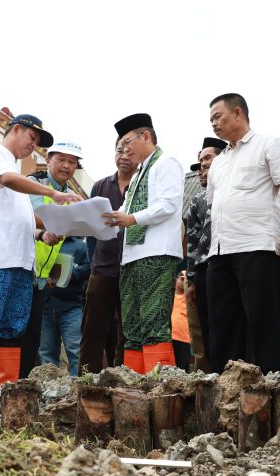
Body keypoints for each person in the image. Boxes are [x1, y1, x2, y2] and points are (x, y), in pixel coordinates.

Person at [0, 114, 81, 391]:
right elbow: (8, 180)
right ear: (16, 130)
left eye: (36, 143)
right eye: (31, 139)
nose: (32, 146)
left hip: (23, 260)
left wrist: (46, 231)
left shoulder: (13, 169)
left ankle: (4, 389)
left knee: (13, 324)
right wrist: (55, 194)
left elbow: (24, 218)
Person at [204, 93, 280, 374]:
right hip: (220, 251)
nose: (213, 124)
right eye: (210, 119)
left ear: (238, 113)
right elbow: (215, 204)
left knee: (261, 324)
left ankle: (265, 395)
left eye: (217, 116)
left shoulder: (269, 144)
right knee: (221, 325)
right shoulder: (219, 162)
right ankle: (226, 390)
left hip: (257, 247)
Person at [103, 113, 185, 374]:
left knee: (153, 321)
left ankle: (160, 385)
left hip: (157, 252)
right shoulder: (139, 174)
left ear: (146, 136)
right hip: (131, 256)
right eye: (122, 145)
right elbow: (123, 210)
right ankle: (135, 384)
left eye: (128, 143)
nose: (125, 150)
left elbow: (169, 205)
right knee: (132, 325)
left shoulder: (166, 163)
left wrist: (131, 218)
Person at [22, 141, 83, 377]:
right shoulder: (35, 184)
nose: (66, 166)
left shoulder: (71, 195)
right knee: (24, 337)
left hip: (44, 280)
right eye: (61, 160)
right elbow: (34, 217)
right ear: (48, 160)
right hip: (24, 271)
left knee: (36, 342)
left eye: (72, 162)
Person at [79, 142, 136, 374]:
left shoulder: (142, 186)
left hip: (131, 267)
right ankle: (85, 379)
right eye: (120, 151)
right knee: (92, 328)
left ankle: (122, 377)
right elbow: (92, 229)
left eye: (130, 152)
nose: (124, 157)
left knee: (126, 330)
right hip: (102, 267)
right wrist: (94, 261)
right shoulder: (101, 186)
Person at [185, 137, 226, 372]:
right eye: (200, 161)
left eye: (207, 159)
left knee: (226, 324)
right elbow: (192, 242)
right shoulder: (197, 201)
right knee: (206, 326)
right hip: (202, 270)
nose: (202, 166)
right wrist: (191, 279)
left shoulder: (233, 190)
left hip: (229, 262)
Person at [39, 235, 90, 376]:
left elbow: (89, 268)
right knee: (46, 353)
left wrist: (69, 272)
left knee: (76, 351)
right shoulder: (41, 242)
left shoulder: (79, 246)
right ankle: (49, 391)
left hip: (71, 306)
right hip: (45, 307)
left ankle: (79, 389)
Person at [170, 271, 191, 371]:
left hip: (184, 340)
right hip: (168, 338)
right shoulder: (169, 296)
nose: (184, 282)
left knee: (182, 370)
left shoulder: (189, 297)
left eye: (187, 280)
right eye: (182, 279)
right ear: (176, 279)